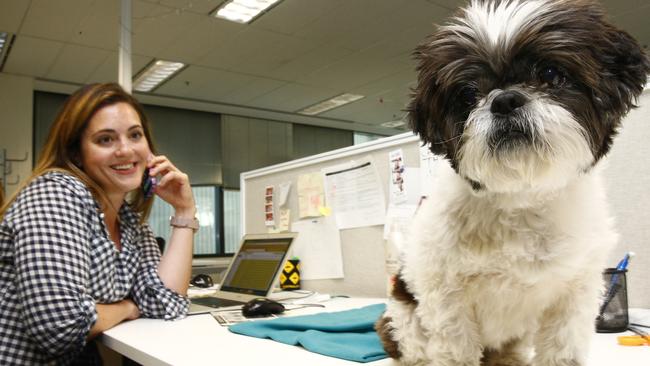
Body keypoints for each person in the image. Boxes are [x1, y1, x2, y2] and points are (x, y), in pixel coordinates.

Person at [0, 83, 197, 365]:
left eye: (135, 135)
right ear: (77, 153)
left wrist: (184, 210)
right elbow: (59, 328)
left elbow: (165, 304)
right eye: (105, 139)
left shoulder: (129, 221)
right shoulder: (55, 196)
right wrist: (128, 307)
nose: (126, 150)